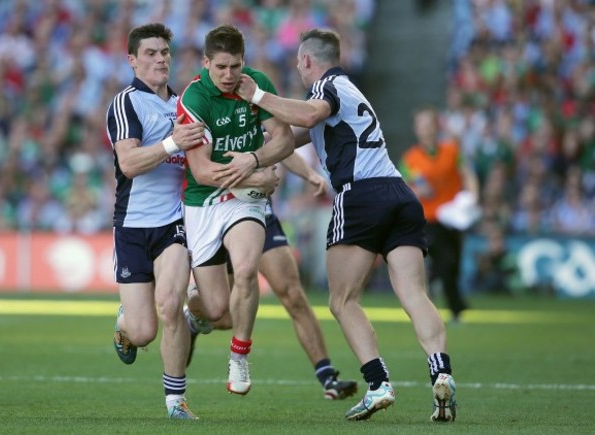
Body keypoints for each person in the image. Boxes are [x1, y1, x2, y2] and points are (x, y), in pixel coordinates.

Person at [236, 28, 457, 422]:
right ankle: (441, 372)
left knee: (342, 300)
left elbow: (308, 113)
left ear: (306, 61)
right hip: (399, 194)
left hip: (361, 196)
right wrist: (249, 155)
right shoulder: (349, 91)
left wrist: (256, 95)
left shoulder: (328, 86)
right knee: (413, 293)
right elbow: (290, 139)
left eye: (298, 64)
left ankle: (378, 383)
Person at [176, 24, 294, 396]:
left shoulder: (256, 84)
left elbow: (286, 138)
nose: (229, 75)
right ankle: (192, 314)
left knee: (245, 270)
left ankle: (239, 358)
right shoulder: (193, 100)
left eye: (236, 66)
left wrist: (255, 160)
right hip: (204, 201)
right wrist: (254, 176)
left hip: (246, 201)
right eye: (221, 67)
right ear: (206, 62)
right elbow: (202, 171)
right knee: (216, 311)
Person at [185, 151, 358, 400]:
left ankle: (327, 376)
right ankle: (192, 319)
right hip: (215, 214)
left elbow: (280, 144)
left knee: (292, 293)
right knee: (225, 318)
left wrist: (309, 174)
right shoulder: (209, 116)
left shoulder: (259, 112)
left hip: (258, 212)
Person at [105, 23, 205, 420]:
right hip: (131, 225)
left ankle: (176, 402)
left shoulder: (186, 105)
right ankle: (125, 321)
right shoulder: (126, 102)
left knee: (171, 306)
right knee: (144, 331)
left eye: (165, 52)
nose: (161, 58)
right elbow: (128, 164)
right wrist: (171, 143)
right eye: (150, 53)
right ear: (132, 60)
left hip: (173, 223)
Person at [400, 106, 479, 322]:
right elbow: (403, 187)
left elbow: (467, 173)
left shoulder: (452, 151)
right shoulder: (410, 159)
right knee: (444, 260)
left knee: (453, 263)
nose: (425, 130)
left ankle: (438, 284)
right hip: (426, 218)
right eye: (421, 126)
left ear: (436, 126)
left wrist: (472, 196)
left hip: (452, 217)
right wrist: (418, 191)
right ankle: (456, 309)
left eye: (428, 124)